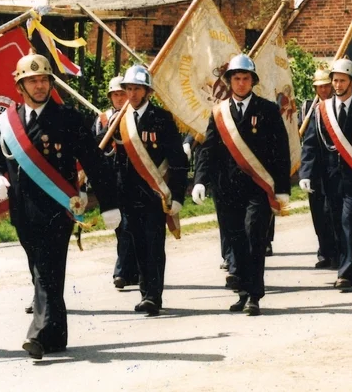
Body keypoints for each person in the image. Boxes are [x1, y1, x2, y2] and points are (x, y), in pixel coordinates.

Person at [0, 52, 115, 359]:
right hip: (22, 211)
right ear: (20, 86)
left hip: (59, 208)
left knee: (46, 268)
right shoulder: (8, 121)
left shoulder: (68, 118)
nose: (39, 86)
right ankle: (57, 336)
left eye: (44, 80)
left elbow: (94, 162)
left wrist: (109, 204)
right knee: (42, 271)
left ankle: (38, 335)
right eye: (32, 81)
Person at [193, 54, 290, 314]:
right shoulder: (219, 112)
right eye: (236, 78)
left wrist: (282, 188)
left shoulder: (267, 109)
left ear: (253, 81)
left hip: (257, 188)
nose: (241, 83)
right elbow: (208, 149)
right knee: (235, 240)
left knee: (254, 237)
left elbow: (281, 150)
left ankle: (255, 295)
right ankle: (243, 292)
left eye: (246, 78)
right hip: (226, 188)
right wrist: (200, 181)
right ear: (229, 81)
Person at [300, 59, 352, 288]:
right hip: (330, 178)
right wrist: (306, 173)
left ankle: (347, 272)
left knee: (350, 221)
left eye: (342, 80)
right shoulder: (321, 110)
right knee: (335, 221)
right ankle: (340, 261)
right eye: (334, 80)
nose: (337, 85)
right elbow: (310, 144)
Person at [114, 65, 187, 316]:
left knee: (154, 244)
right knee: (137, 245)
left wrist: (177, 195)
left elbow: (177, 160)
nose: (132, 94)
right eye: (128, 89)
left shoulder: (162, 119)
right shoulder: (119, 120)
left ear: (147, 91)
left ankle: (154, 296)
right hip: (128, 195)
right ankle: (145, 292)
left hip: (155, 195)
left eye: (136, 89)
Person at [93, 75, 139, 290]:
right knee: (120, 226)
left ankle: (121, 270)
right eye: (116, 94)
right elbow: (95, 146)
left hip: (132, 177)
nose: (119, 98)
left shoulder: (134, 116)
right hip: (110, 178)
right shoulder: (102, 119)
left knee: (129, 224)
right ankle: (131, 269)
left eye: (122, 93)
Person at [297, 68, 338, 268]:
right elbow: (307, 142)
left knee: (333, 212)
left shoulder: (337, 106)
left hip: (335, 168)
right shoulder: (307, 108)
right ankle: (324, 252)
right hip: (315, 170)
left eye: (326, 86)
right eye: (319, 87)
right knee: (319, 213)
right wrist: (304, 172)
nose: (323, 90)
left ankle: (338, 252)